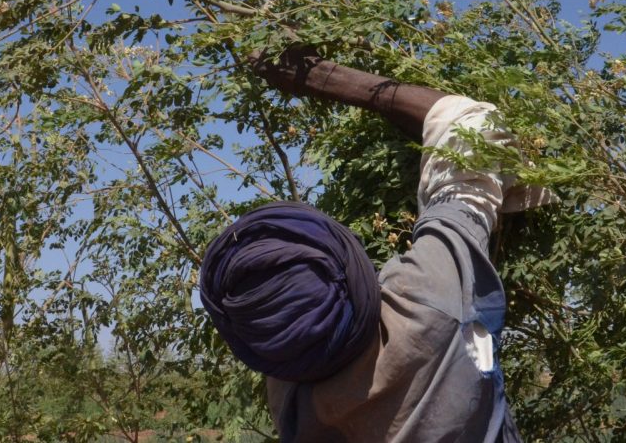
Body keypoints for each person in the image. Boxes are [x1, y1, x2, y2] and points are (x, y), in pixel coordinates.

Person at [199, 47, 553, 442]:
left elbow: (280, 316)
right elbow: (474, 126)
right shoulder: (429, 302)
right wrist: (321, 77)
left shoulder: (288, 393)